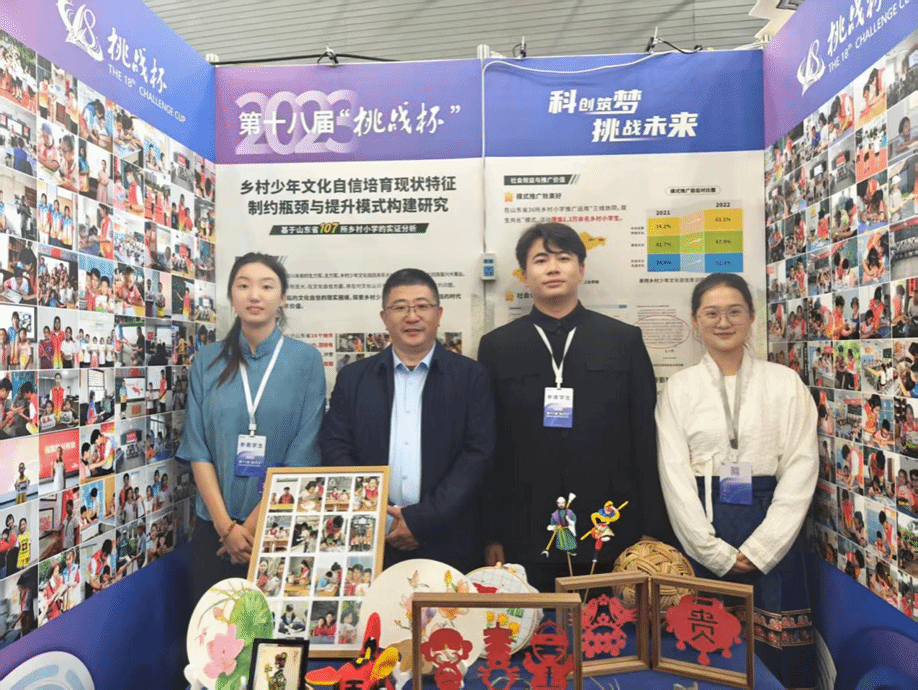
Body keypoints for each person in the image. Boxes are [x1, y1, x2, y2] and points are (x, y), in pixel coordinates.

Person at [477, 223, 671, 590]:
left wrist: (652, 527)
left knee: (611, 625)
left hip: (611, 525)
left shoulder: (623, 340)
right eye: (540, 260)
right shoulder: (497, 347)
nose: (552, 268)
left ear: (580, 269)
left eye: (563, 258)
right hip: (524, 527)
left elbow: (646, 438)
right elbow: (489, 447)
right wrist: (491, 534)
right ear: (524, 275)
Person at [656, 273, 818, 688]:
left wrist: (764, 548)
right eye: (712, 313)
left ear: (751, 317)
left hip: (773, 525)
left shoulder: (784, 383)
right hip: (704, 527)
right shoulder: (679, 388)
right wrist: (711, 551)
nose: (723, 322)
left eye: (734, 311)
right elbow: (674, 476)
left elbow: (801, 467)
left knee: (777, 659)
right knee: (706, 650)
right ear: (695, 320)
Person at [321, 268, 494, 571]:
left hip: (449, 537)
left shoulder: (471, 377)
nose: (412, 317)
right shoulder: (353, 379)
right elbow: (336, 449)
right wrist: (380, 514)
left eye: (422, 306)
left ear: (438, 314)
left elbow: (477, 455)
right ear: (384, 317)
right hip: (372, 537)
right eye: (400, 307)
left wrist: (421, 519)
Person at [177, 253, 325, 598]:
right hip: (215, 530)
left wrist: (252, 527)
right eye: (243, 286)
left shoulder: (306, 360)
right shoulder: (208, 359)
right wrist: (226, 528)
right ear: (231, 295)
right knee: (215, 628)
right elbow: (197, 448)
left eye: (266, 286)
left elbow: (303, 455)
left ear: (282, 298)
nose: (254, 295)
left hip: (280, 526)